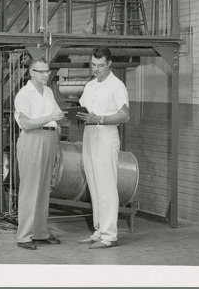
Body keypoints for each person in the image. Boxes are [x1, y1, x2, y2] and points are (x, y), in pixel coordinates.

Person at [77, 46, 130, 249]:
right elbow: (85, 111)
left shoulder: (116, 86)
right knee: (94, 185)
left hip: (106, 135)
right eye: (93, 65)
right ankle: (99, 231)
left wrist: (99, 118)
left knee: (106, 186)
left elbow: (125, 115)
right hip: (90, 135)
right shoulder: (90, 86)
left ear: (109, 64)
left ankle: (109, 235)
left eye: (100, 65)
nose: (96, 69)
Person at [14, 56, 65, 250]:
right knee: (29, 189)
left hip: (50, 138)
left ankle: (40, 233)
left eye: (47, 71)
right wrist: (49, 117)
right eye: (41, 71)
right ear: (31, 72)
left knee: (44, 188)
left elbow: (56, 119)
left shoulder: (49, 92)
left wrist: (58, 147)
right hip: (32, 138)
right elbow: (25, 123)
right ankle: (24, 236)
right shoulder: (24, 94)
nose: (46, 75)